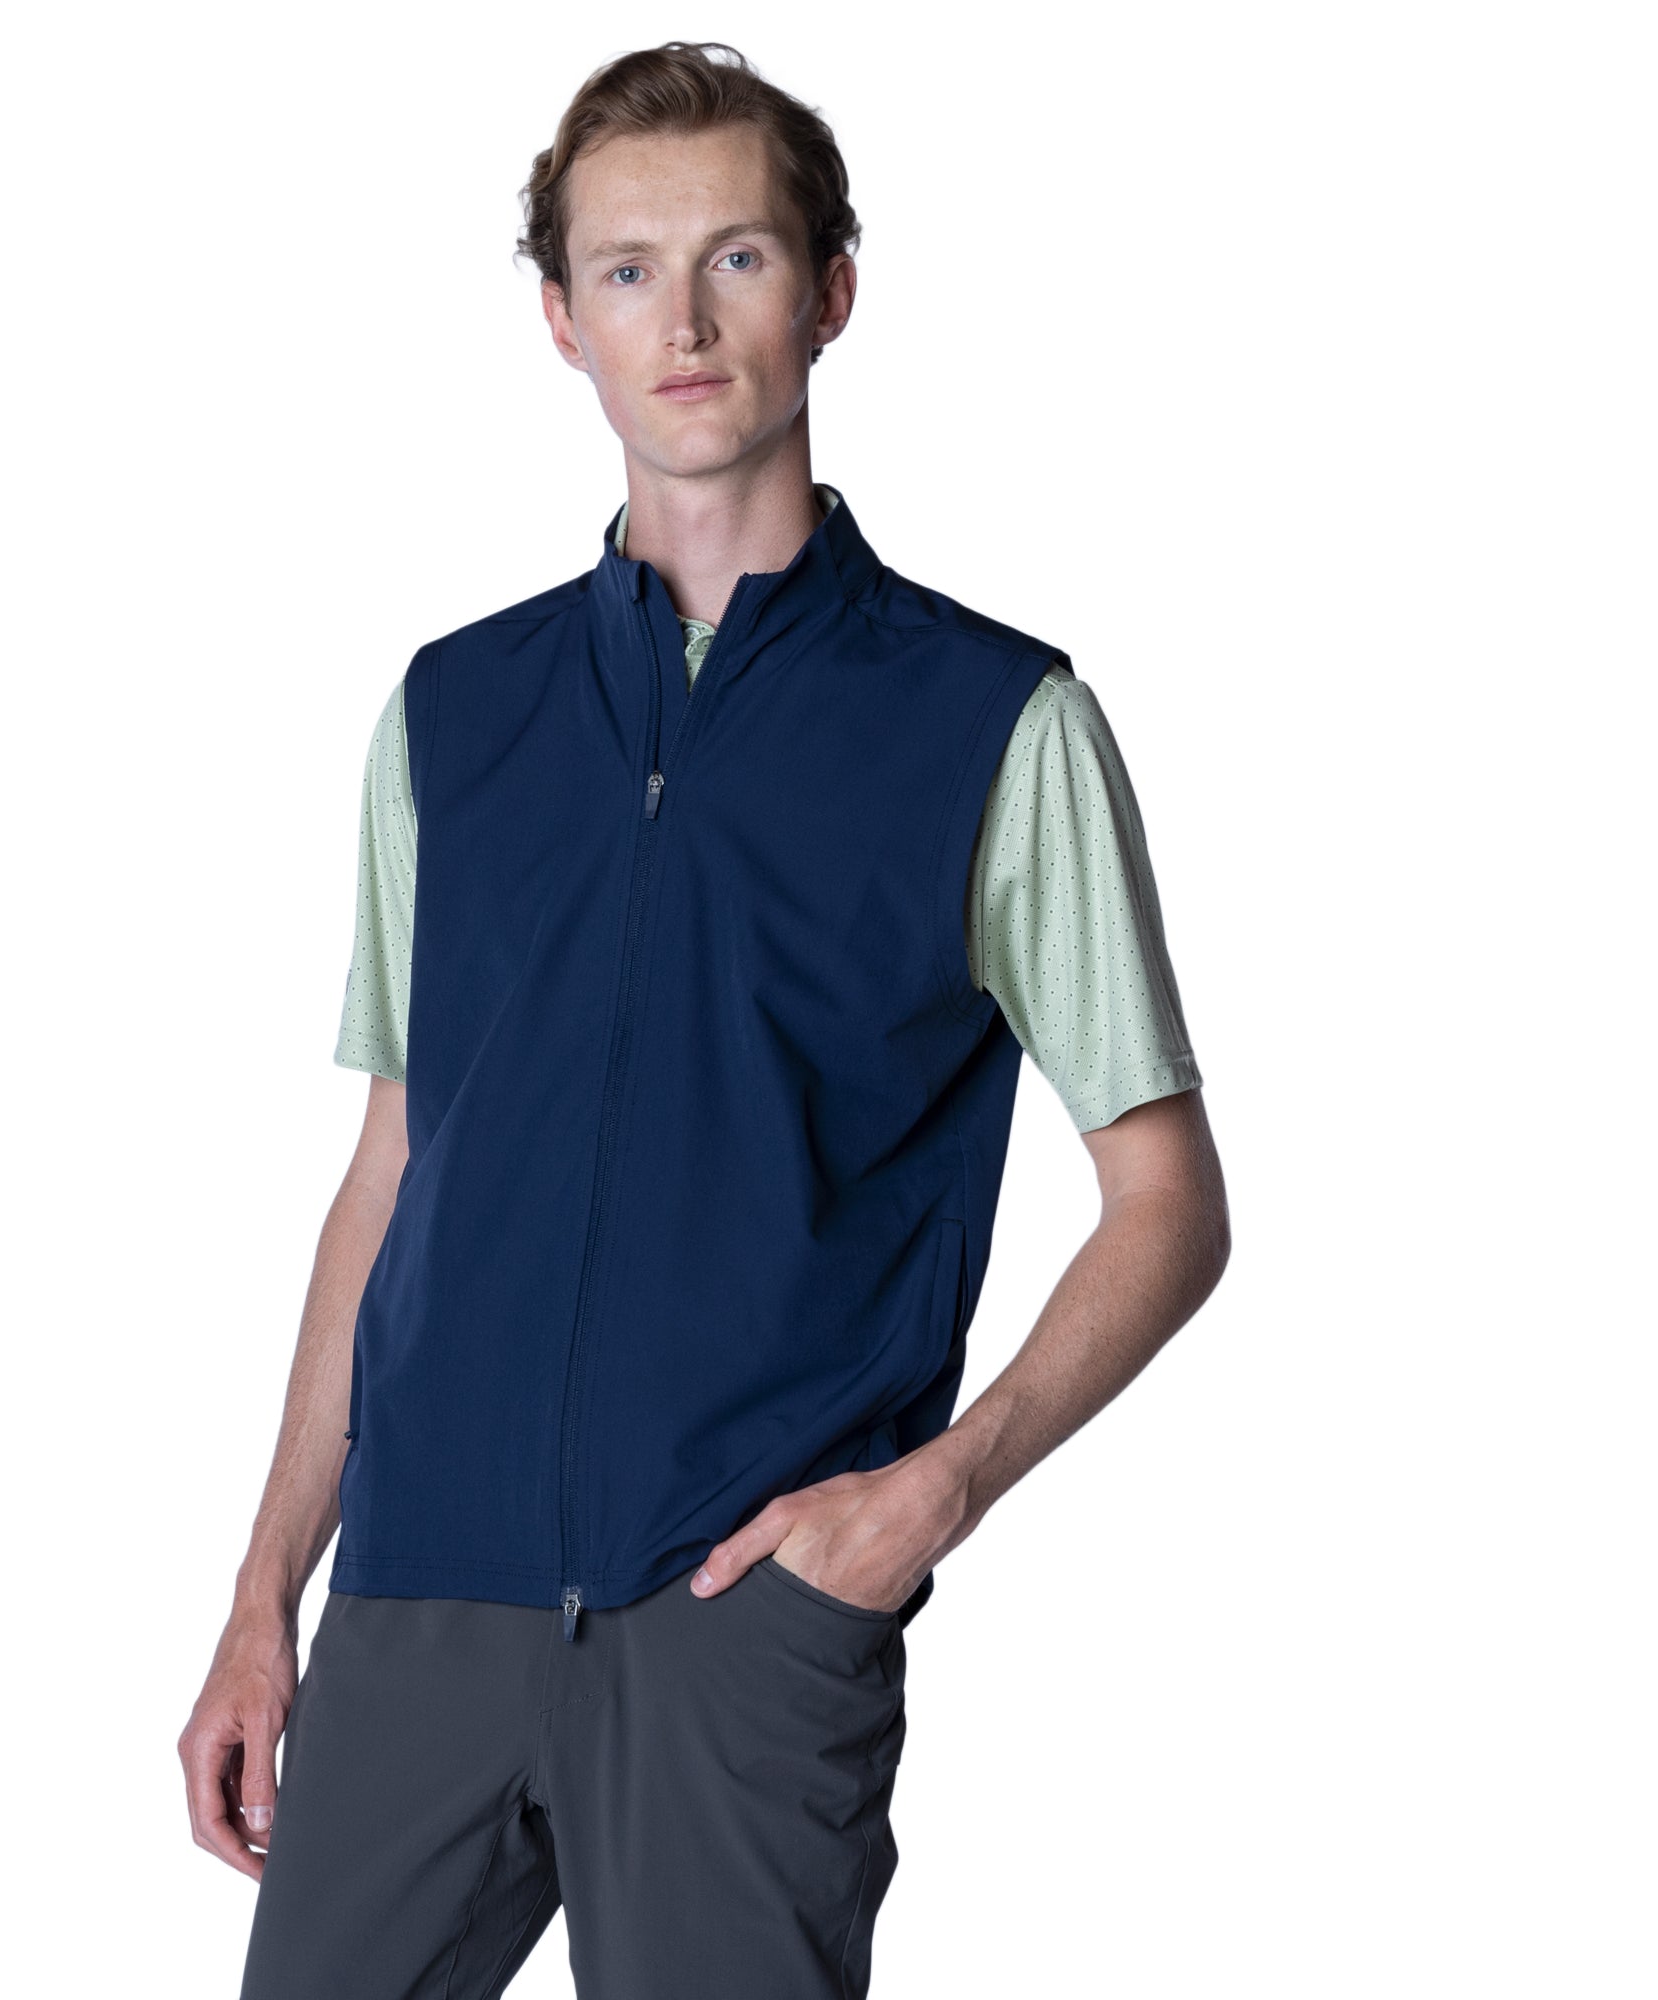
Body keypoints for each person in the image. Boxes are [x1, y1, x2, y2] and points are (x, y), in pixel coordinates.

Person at [181, 39, 1231, 1999]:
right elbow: (392, 1170)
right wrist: (265, 1591)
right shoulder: (452, 717)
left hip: (741, 1622)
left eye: (736, 258)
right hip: (418, 1603)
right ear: (560, 318)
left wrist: (936, 1490)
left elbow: (1165, 1200)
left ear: (829, 292)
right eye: (628, 268)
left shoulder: (993, 725)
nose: (682, 321)